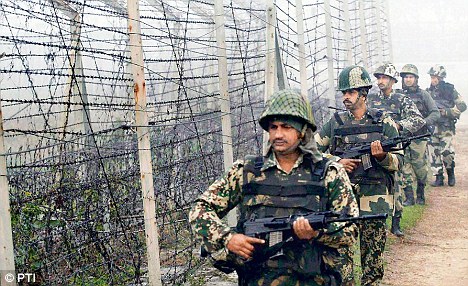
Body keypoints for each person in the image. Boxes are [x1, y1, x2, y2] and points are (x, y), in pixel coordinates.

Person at [189, 89, 359, 285]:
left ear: (302, 131)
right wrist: (227, 238)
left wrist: (317, 233)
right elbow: (199, 209)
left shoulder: (329, 173)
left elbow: (350, 231)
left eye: (286, 127)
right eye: (273, 127)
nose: (278, 134)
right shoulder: (247, 171)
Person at [315, 65, 403, 286]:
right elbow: (311, 153)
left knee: (372, 264)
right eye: (343, 93)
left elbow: (399, 161)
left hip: (375, 201)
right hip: (342, 202)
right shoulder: (335, 124)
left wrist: (382, 157)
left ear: (363, 94)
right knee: (341, 263)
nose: (345, 97)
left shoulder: (383, 122)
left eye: (350, 92)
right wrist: (336, 163)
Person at [367, 63, 425, 237]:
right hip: (372, 147)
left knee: (396, 184)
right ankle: (377, 221)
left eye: (384, 77)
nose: (380, 81)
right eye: (378, 78)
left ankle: (396, 222)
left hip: (393, 149)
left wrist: (399, 125)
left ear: (392, 80)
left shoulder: (401, 100)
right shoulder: (370, 100)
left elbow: (418, 119)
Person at [397, 64, 440, 205]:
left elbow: (435, 112)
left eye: (411, 77)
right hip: (403, 136)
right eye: (406, 77)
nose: (408, 80)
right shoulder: (399, 95)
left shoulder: (423, 95)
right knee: (404, 166)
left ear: (416, 79)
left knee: (420, 167)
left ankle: (420, 193)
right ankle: (409, 197)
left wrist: (423, 122)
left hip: (419, 138)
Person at [426, 64, 466, 187]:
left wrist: (447, 112)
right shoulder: (427, 92)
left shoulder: (450, 90)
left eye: (435, 77)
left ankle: (451, 173)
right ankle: (438, 177)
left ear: (441, 77)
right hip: (433, 128)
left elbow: (462, 106)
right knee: (433, 153)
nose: (433, 80)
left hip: (446, 127)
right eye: (432, 77)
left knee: (447, 152)